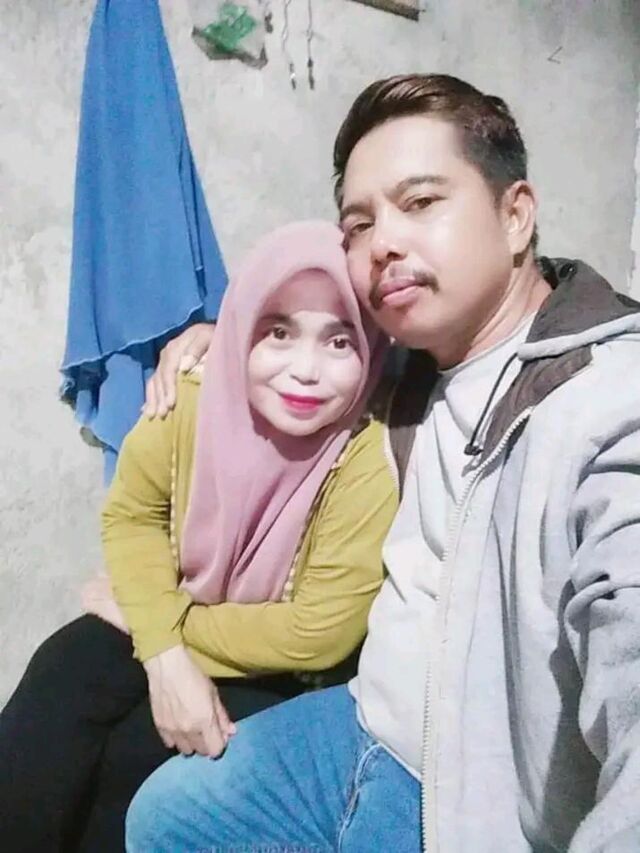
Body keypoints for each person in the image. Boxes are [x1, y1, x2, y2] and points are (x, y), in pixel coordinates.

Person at [126, 74, 640, 853]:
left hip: (475, 795)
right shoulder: (411, 367)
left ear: (515, 215)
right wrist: (222, 341)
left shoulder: (604, 402)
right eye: (359, 224)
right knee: (163, 815)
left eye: (421, 202)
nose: (383, 243)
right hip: (363, 719)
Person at [0, 221, 397, 853]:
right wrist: (163, 652)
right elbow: (134, 517)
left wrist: (157, 626)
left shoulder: (366, 454)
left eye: (339, 340)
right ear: (241, 328)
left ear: (372, 347)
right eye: (278, 332)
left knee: (141, 756)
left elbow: (317, 632)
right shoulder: (191, 396)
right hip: (167, 614)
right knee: (61, 678)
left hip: (282, 668)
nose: (305, 370)